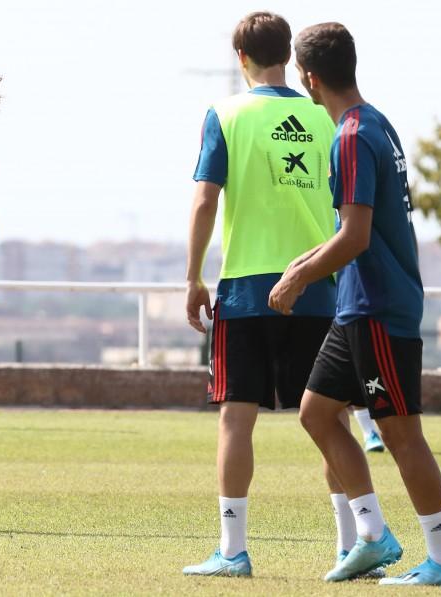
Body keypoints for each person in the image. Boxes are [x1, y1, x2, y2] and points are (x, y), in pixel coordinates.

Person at [268, 22, 441, 586]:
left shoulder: (352, 135)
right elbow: (354, 229)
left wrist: (298, 278)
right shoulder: (376, 122)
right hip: (357, 308)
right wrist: (302, 261)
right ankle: (374, 537)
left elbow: (356, 237)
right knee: (316, 413)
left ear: (308, 78)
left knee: (403, 435)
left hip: (378, 309)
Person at [182, 12, 344, 577]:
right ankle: (352, 543)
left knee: (236, 417)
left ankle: (233, 551)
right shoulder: (325, 116)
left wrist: (192, 277)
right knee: (332, 422)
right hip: (318, 286)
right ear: (289, 57)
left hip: (248, 288)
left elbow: (205, 200)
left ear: (241, 58)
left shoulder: (225, 114)